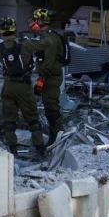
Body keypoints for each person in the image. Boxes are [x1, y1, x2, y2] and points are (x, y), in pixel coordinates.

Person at [0, 17, 45, 160]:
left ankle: (12, 151)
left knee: (9, 121)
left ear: (1, 32)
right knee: (33, 119)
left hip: (8, 86)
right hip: (23, 86)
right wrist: (38, 30)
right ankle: (41, 150)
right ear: (14, 30)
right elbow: (44, 44)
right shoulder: (26, 45)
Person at [26, 8, 71, 146]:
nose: (35, 22)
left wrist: (41, 79)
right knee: (48, 107)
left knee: (52, 108)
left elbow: (49, 61)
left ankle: (57, 138)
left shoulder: (51, 39)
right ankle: (56, 135)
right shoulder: (47, 36)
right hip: (48, 76)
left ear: (43, 21)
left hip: (50, 77)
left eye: (37, 20)